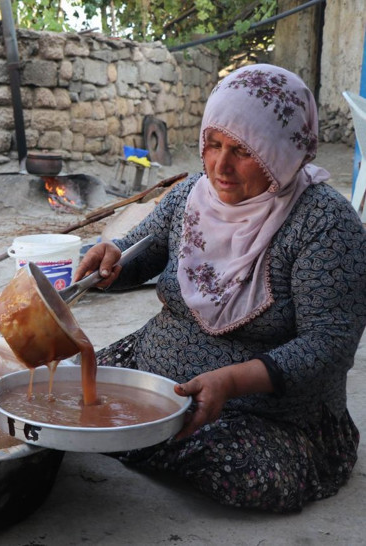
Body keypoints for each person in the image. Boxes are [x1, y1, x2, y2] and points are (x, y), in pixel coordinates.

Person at [74, 63, 366, 513]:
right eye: (213, 145)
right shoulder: (190, 195)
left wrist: (231, 382)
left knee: (248, 476)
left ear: (282, 150)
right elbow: (136, 254)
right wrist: (109, 255)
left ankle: (148, 434)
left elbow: (329, 344)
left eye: (243, 151)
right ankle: (151, 431)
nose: (220, 166)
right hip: (155, 369)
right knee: (69, 393)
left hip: (264, 413)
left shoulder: (324, 222)